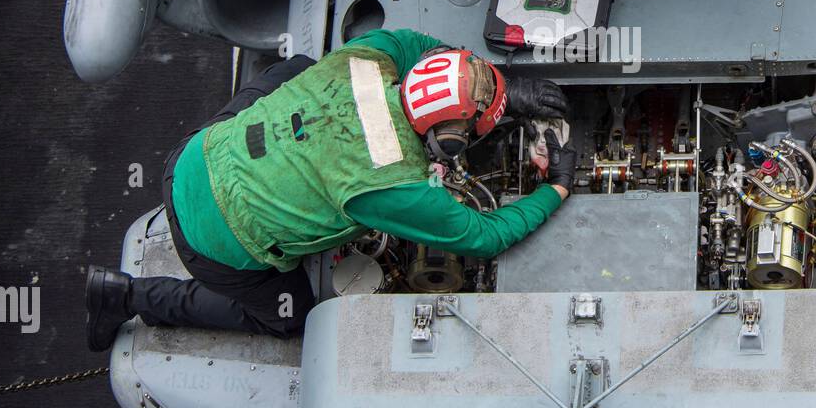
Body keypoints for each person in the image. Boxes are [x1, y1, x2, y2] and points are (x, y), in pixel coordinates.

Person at [84, 29, 574, 349]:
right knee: (287, 317)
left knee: (298, 66)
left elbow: (412, 45)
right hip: (210, 243)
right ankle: (129, 297)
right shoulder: (395, 184)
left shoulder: (366, 59)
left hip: (192, 156)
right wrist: (555, 189)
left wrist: (501, 86)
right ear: (448, 142)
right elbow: (484, 237)